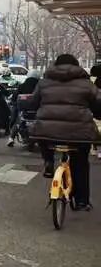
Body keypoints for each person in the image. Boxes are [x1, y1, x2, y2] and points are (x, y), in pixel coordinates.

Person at [29, 54, 101, 210]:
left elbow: (33, 103)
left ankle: (48, 161)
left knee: (44, 138)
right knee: (80, 162)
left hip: (47, 131)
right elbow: (98, 105)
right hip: (79, 133)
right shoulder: (86, 84)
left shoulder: (44, 83)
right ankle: (81, 201)